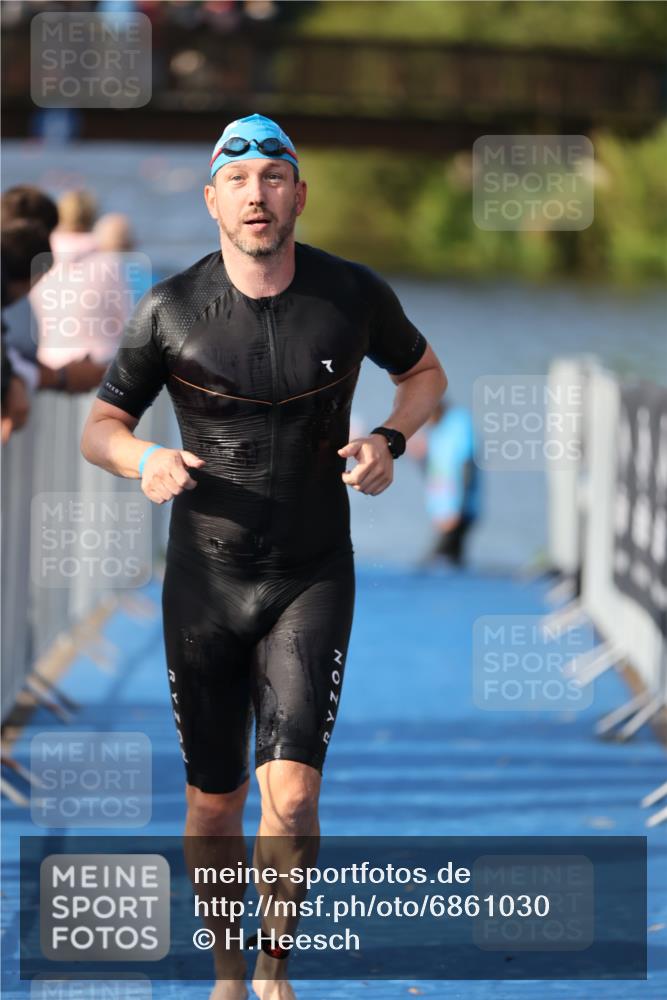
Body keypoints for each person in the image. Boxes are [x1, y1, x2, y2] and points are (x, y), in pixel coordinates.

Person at [80, 113, 447, 1000]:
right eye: (239, 181)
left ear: (298, 195)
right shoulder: (168, 307)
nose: (257, 194)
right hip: (204, 580)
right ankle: (226, 974)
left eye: (274, 177)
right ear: (212, 199)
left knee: (293, 797)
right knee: (215, 802)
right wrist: (146, 459)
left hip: (310, 574)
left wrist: (389, 441)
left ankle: (275, 972)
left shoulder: (351, 293)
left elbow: (425, 374)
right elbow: (101, 427)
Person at [409, 398, 480, 566]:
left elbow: (467, 467)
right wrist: (420, 458)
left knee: (433, 560)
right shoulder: (437, 430)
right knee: (452, 562)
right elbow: (434, 472)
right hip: (443, 510)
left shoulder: (459, 424)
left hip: (458, 510)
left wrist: (457, 510)